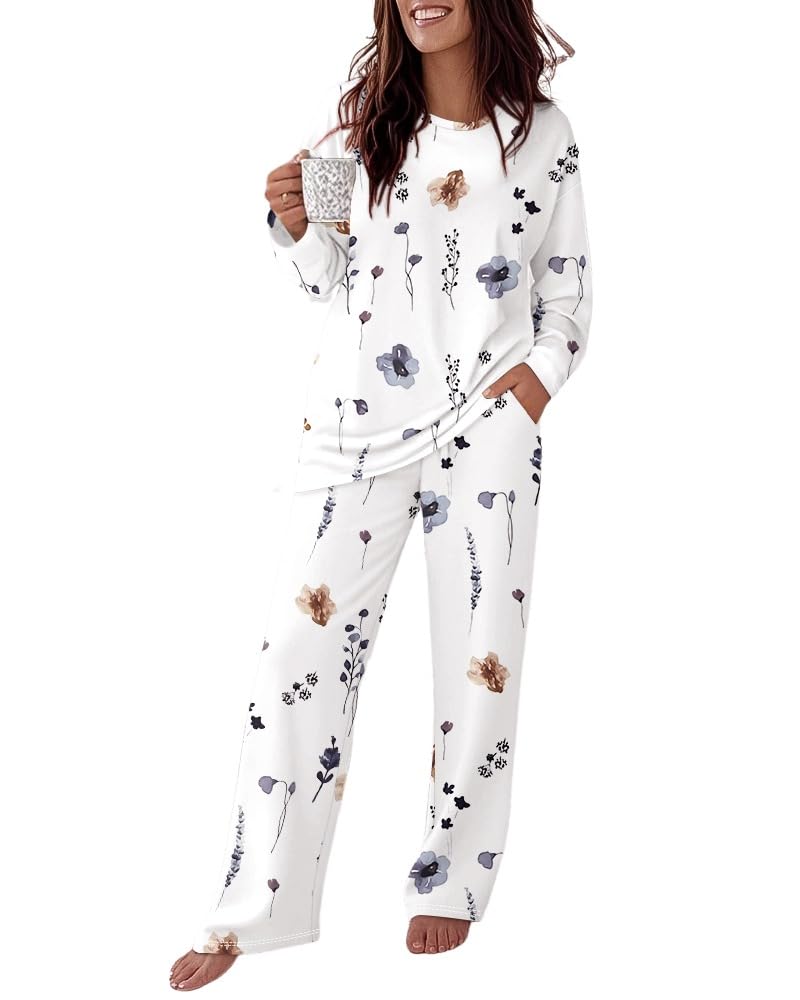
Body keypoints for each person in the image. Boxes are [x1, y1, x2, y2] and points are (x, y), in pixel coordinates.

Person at [170, 0, 592, 988]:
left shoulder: (542, 134)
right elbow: (330, 279)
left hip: (485, 423)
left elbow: (566, 291)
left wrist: (533, 386)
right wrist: (291, 227)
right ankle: (257, 905)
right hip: (355, 427)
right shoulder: (356, 131)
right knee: (293, 654)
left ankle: (449, 878)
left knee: (479, 655)